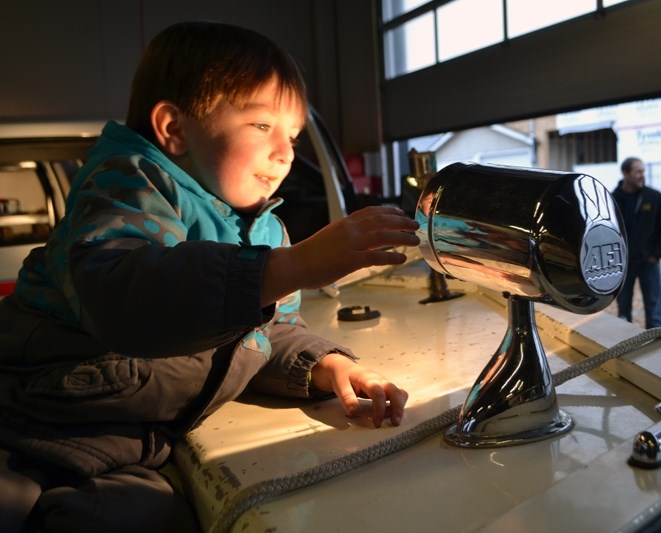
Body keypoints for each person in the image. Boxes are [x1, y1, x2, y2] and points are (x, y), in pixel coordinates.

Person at [0, 21, 419, 532]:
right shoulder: (130, 183)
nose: (286, 152)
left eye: (293, 134)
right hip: (30, 421)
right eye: (263, 126)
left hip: (134, 443)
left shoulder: (265, 229)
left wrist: (326, 367)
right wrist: (291, 267)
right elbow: (120, 294)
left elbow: (268, 332)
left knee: (150, 518)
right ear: (174, 129)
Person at [612, 157, 661, 329]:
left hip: (648, 262)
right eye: (638, 171)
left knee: (654, 311)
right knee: (623, 312)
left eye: (643, 171)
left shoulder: (654, 198)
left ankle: (657, 348)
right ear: (625, 173)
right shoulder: (612, 199)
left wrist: (656, 254)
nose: (642, 175)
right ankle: (625, 347)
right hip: (623, 265)